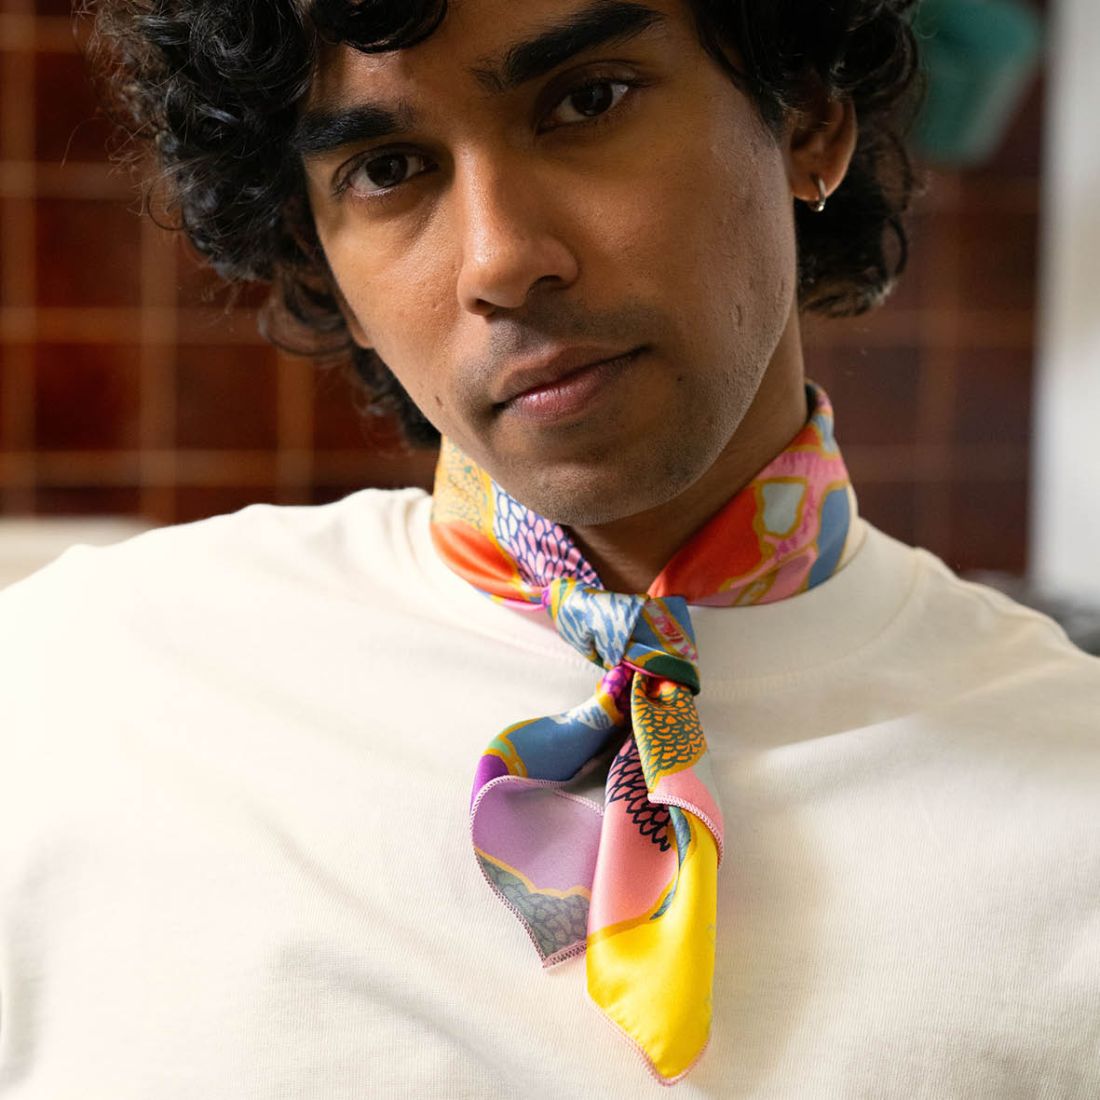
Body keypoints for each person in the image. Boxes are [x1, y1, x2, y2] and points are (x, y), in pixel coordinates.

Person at [1, 0, 1097, 1096]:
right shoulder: (71, 698)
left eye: (587, 101)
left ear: (809, 115)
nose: (503, 259)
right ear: (319, 256)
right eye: (386, 169)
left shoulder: (1074, 805)